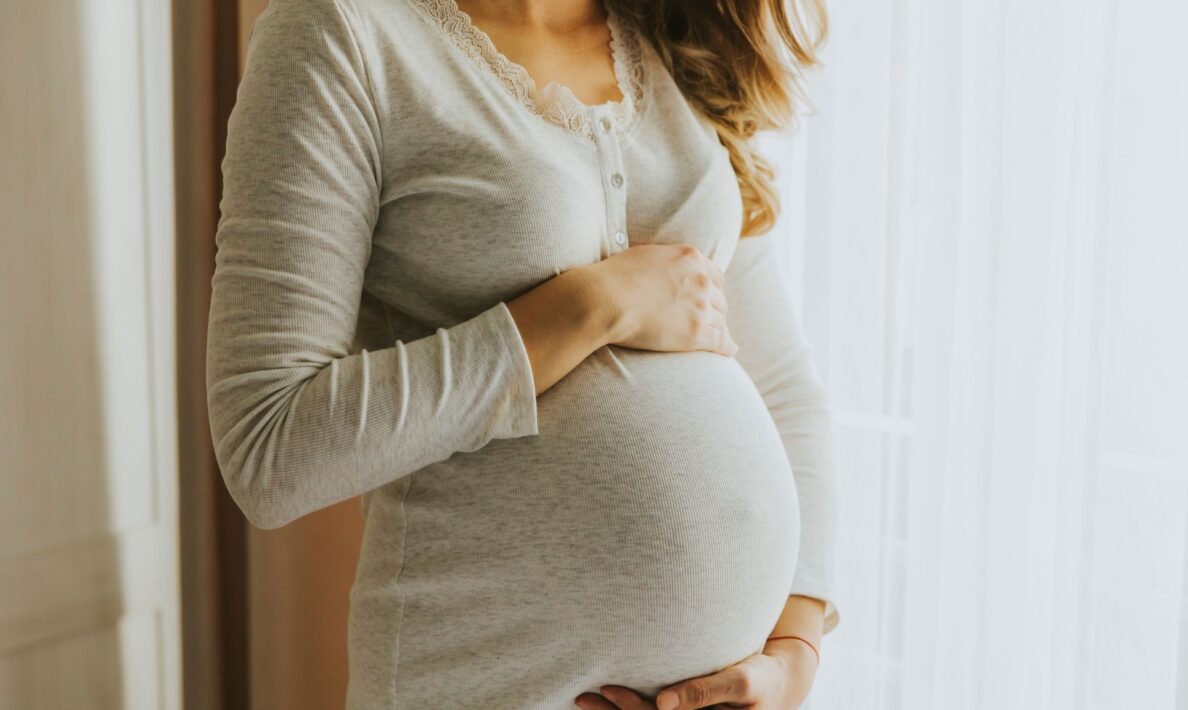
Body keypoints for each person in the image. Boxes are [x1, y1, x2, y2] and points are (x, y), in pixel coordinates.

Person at [205, 0, 840, 707]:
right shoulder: (341, 32)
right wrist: (587, 309)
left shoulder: (673, 33)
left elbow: (783, 388)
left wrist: (795, 652)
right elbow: (268, 449)